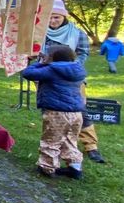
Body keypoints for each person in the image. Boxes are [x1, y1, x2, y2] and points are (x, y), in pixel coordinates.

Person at [44, 0, 105, 163]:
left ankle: (91, 147)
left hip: (72, 78)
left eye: (56, 17)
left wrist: (67, 69)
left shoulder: (77, 33)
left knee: (79, 110)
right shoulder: (39, 33)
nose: (53, 21)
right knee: (52, 113)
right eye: (49, 17)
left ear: (64, 16)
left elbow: (83, 53)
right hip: (48, 78)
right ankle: (58, 145)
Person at [22, 45, 86, 179]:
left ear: (51, 58)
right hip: (76, 112)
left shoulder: (52, 69)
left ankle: (47, 168)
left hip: (57, 112)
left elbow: (28, 73)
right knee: (70, 139)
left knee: (52, 139)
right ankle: (75, 168)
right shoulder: (78, 69)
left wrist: (40, 63)